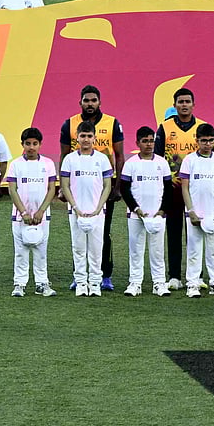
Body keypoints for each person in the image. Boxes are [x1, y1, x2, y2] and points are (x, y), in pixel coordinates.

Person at [60, 85, 124, 291]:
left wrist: (118, 186)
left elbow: (120, 156)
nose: (90, 104)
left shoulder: (112, 123)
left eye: (93, 100)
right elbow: (64, 156)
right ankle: (77, 277)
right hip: (77, 188)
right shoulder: (69, 124)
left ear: (99, 102)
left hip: (103, 187)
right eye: (86, 100)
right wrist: (62, 187)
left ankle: (105, 275)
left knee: (103, 232)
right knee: (77, 231)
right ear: (80, 102)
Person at [156, 87, 207, 290]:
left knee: (196, 233)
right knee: (174, 231)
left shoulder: (202, 127)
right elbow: (158, 161)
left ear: (194, 104)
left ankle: (197, 276)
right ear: (174, 105)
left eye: (187, 102)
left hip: (196, 191)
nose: (184, 105)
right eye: (180, 102)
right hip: (173, 189)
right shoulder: (164, 128)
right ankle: (174, 276)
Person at [60, 121, 113, 297]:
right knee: (78, 247)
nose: (86, 139)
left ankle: (95, 283)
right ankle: (81, 282)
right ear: (77, 137)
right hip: (76, 212)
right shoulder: (69, 159)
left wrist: (99, 208)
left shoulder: (102, 159)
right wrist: (75, 207)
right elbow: (65, 185)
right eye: (83, 136)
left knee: (97, 248)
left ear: (95, 138)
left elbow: (107, 186)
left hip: (98, 212)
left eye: (89, 136)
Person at [121, 126, 174, 297]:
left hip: (157, 215)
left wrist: (162, 210)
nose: (149, 144)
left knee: (157, 250)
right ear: (137, 143)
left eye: (151, 141)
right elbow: (124, 189)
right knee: (136, 249)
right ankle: (135, 283)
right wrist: (135, 209)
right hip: (136, 215)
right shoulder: (131, 164)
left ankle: (159, 283)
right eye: (145, 141)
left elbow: (168, 189)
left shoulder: (162, 162)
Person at [179, 123, 214, 298]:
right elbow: (184, 188)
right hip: (195, 215)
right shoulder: (189, 161)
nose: (207, 144)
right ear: (197, 140)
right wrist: (190, 211)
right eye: (204, 141)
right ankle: (192, 284)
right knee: (193, 250)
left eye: (210, 141)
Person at [6, 127, 57, 298]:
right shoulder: (16, 165)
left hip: (42, 216)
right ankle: (19, 284)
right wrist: (23, 212)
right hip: (20, 216)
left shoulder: (48, 164)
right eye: (28, 144)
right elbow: (12, 190)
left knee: (41, 250)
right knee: (20, 250)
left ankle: (42, 283)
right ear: (22, 144)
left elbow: (51, 190)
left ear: (40, 144)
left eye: (35, 144)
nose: (31, 147)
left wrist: (41, 211)